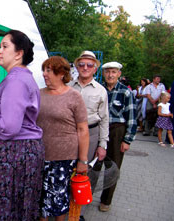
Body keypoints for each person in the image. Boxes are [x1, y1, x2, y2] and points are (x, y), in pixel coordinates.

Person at [0, 30, 45, 220]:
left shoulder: (16, 80)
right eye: (0, 46)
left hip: (14, 154)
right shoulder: (23, 77)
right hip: (23, 152)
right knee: (20, 207)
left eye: (4, 46)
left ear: (18, 53)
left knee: (9, 207)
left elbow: (9, 126)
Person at [37, 56, 89, 221]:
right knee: (40, 199)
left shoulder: (74, 96)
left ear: (61, 74)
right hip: (38, 156)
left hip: (63, 158)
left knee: (59, 200)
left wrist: (83, 160)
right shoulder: (37, 94)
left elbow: (82, 129)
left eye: (49, 70)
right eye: (44, 70)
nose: (45, 74)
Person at [68, 50, 109, 221]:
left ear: (95, 69)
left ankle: (79, 214)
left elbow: (105, 119)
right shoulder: (68, 86)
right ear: (77, 66)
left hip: (91, 133)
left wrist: (102, 144)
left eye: (89, 65)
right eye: (82, 64)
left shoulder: (101, 91)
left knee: (84, 172)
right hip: (69, 133)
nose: (85, 67)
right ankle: (65, 208)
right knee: (66, 169)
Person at [99, 61, 137, 212]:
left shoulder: (125, 92)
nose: (110, 75)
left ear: (119, 74)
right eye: (107, 72)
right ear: (103, 73)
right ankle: (85, 195)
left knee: (112, 167)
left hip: (117, 131)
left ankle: (105, 201)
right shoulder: (99, 89)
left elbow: (132, 118)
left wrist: (127, 139)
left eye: (113, 72)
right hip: (99, 129)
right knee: (93, 164)